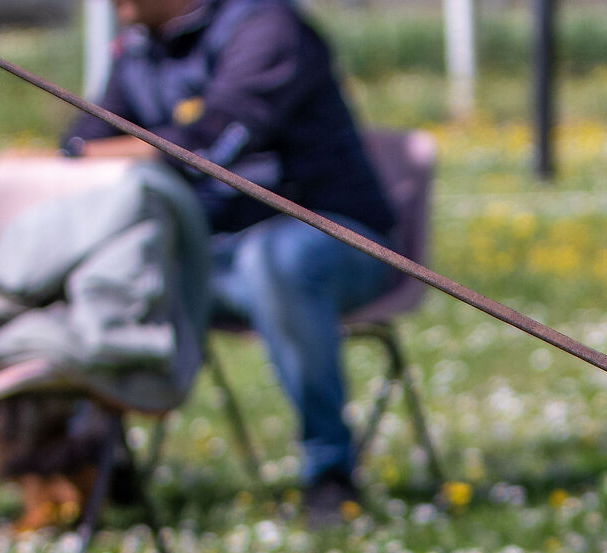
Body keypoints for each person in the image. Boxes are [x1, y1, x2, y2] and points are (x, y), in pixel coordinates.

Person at [63, 0, 397, 526]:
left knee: (275, 261)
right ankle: (94, 457)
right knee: (115, 264)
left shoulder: (268, 28)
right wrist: (96, 153)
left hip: (334, 236)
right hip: (214, 251)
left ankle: (329, 475)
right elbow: (81, 139)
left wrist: (102, 154)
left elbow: (213, 143)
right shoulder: (139, 46)